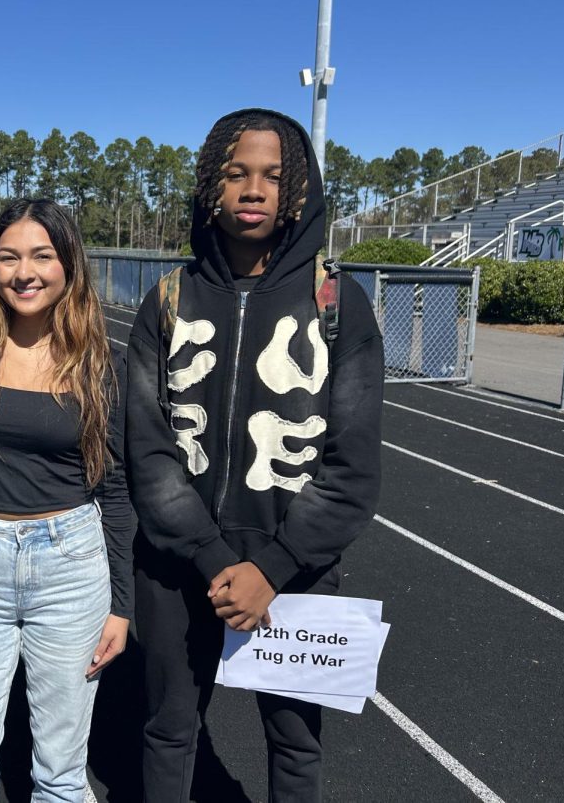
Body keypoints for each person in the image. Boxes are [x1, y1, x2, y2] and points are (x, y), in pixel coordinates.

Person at [125, 109, 384, 802]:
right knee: (169, 730)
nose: (254, 188)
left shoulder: (339, 305)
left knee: (296, 744)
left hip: (294, 572)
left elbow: (351, 468)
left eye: (273, 175)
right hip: (181, 568)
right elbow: (148, 452)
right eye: (236, 173)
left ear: (300, 191)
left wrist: (271, 569)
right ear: (212, 184)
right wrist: (215, 562)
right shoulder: (168, 300)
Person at [0, 199, 135, 802]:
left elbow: (118, 489)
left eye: (42, 256)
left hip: (70, 568)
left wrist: (121, 606)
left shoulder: (101, 364)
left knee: (59, 774)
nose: (24, 272)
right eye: (9, 257)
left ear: (68, 263)